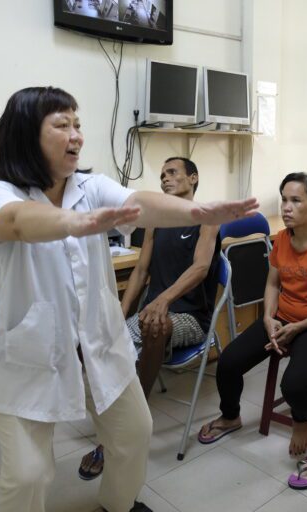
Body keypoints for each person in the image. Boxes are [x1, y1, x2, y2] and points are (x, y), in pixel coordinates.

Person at [0, 86, 258, 512]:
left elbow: (139, 203)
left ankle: (118, 505)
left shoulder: (89, 186)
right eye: (62, 124)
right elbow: (18, 223)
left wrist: (196, 213)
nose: (76, 135)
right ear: (27, 134)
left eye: (78, 124)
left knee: (133, 434)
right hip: (31, 353)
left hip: (100, 343)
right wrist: (74, 221)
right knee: (29, 472)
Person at [197, 172, 307, 490]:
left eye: (296, 200)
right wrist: (269, 318)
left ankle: (304, 425)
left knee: (295, 383)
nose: (286, 206)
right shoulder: (282, 238)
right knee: (228, 363)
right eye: (284, 199)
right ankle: (231, 416)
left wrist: (300, 326)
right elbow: (272, 282)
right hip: (283, 319)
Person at [78, 156, 221, 481]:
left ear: (193, 178)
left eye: (173, 173)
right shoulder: (156, 221)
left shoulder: (206, 218)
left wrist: (163, 300)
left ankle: (130, 423)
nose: (165, 179)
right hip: (151, 311)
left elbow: (200, 268)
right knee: (102, 339)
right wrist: (118, 313)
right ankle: (117, 418)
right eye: (162, 175)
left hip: (188, 317)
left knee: (155, 324)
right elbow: (141, 272)